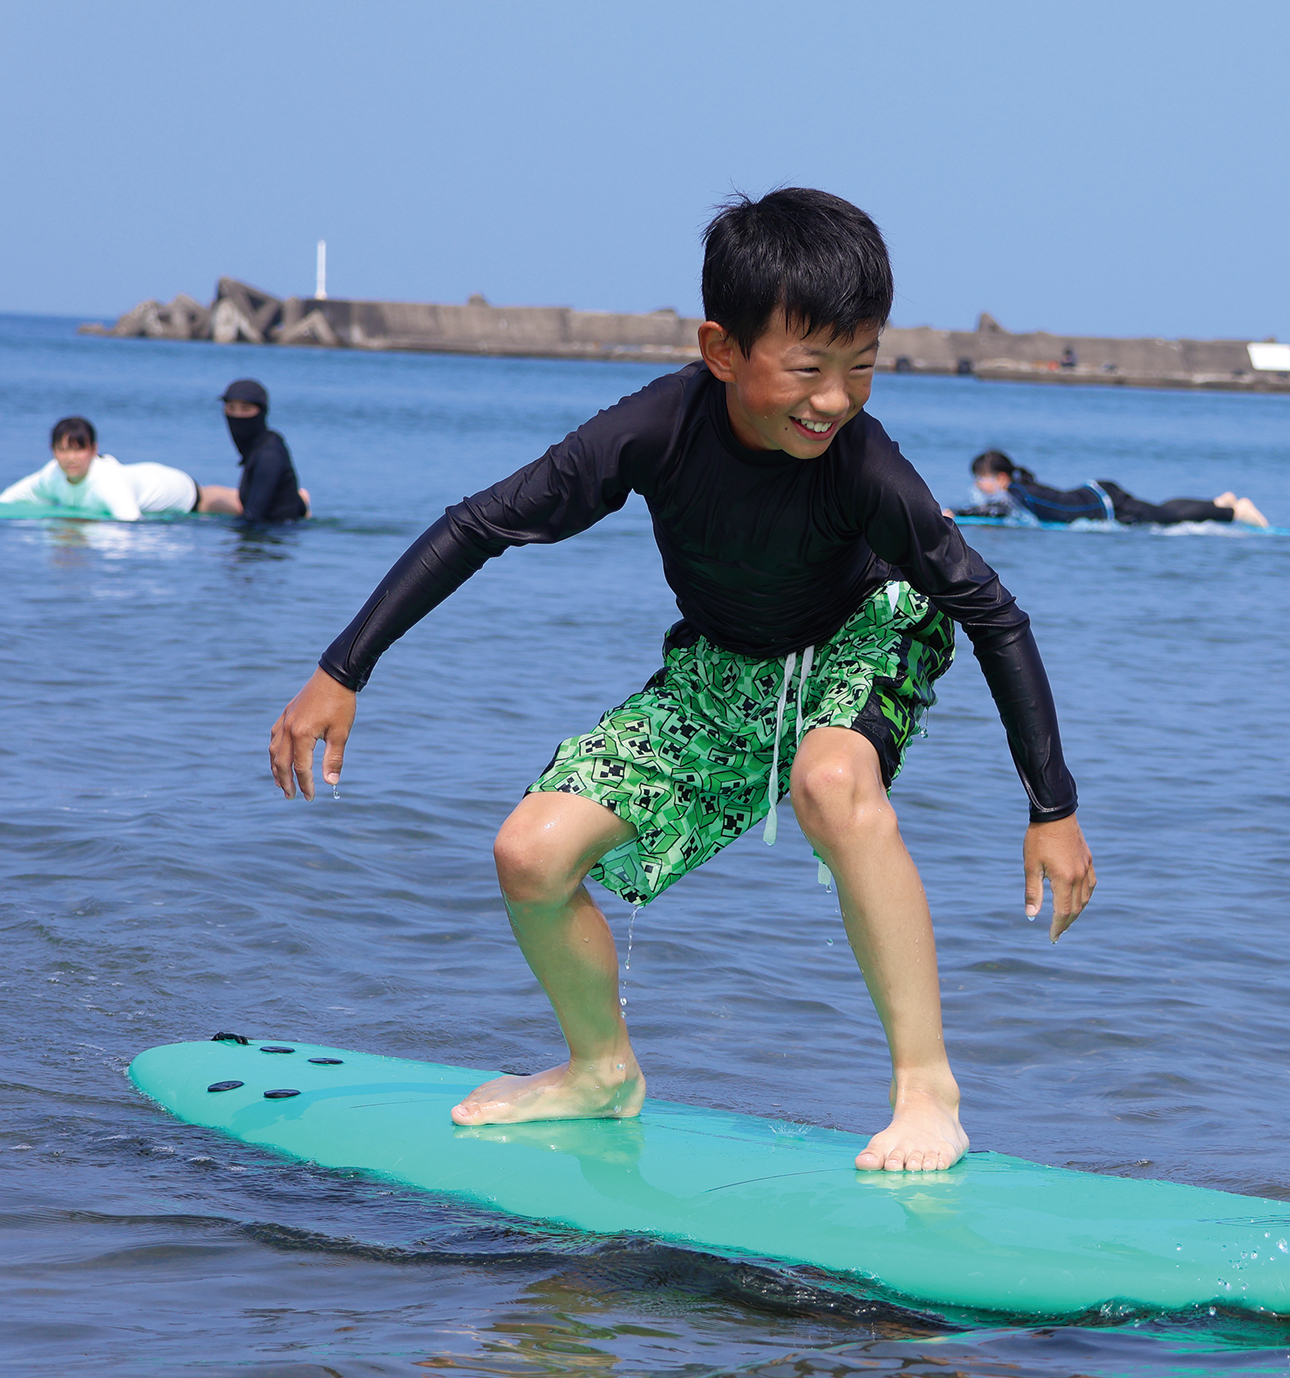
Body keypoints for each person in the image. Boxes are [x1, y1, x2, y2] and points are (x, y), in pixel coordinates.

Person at [267, 189, 1095, 1174]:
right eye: (809, 368)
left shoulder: (868, 469)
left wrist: (1052, 805)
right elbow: (479, 523)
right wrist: (341, 667)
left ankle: (927, 1092)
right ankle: (600, 1072)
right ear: (721, 350)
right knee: (530, 853)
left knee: (832, 782)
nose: (835, 399)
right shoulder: (650, 432)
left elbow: (992, 610)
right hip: (726, 661)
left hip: (872, 630)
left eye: (862, 366)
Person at [950, 450, 1269, 527]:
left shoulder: (1015, 495)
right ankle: (1218, 501)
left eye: (984, 478)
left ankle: (1233, 511)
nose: (980, 484)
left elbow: (992, 510)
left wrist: (956, 513)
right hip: (1098, 494)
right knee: (1161, 510)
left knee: (1166, 518)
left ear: (1002, 478)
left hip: (1106, 502)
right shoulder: (1019, 491)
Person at [2, 416, 206, 520]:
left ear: (93, 449)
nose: (70, 458)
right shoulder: (51, 474)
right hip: (144, 476)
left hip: (185, 493)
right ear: (52, 451)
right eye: (62, 450)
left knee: (232, 503)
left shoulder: (108, 483)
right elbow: (8, 499)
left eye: (78, 450)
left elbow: (131, 523)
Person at [213, 379, 311, 520]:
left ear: (262, 412)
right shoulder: (262, 446)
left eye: (246, 409)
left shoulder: (269, 455)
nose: (237, 416)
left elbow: (253, 518)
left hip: (276, 537)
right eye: (231, 408)